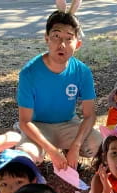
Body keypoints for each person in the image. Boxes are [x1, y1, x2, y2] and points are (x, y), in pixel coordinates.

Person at [16, 8, 102, 170]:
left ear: (78, 44)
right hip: (37, 125)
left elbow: (89, 115)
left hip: (68, 123)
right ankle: (38, 153)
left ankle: (68, 149)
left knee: (97, 145)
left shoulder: (82, 71)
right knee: (26, 155)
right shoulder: (29, 73)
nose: (62, 45)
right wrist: (52, 150)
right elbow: (25, 121)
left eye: (69, 39)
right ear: (46, 38)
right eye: (56, 36)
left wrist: (76, 145)